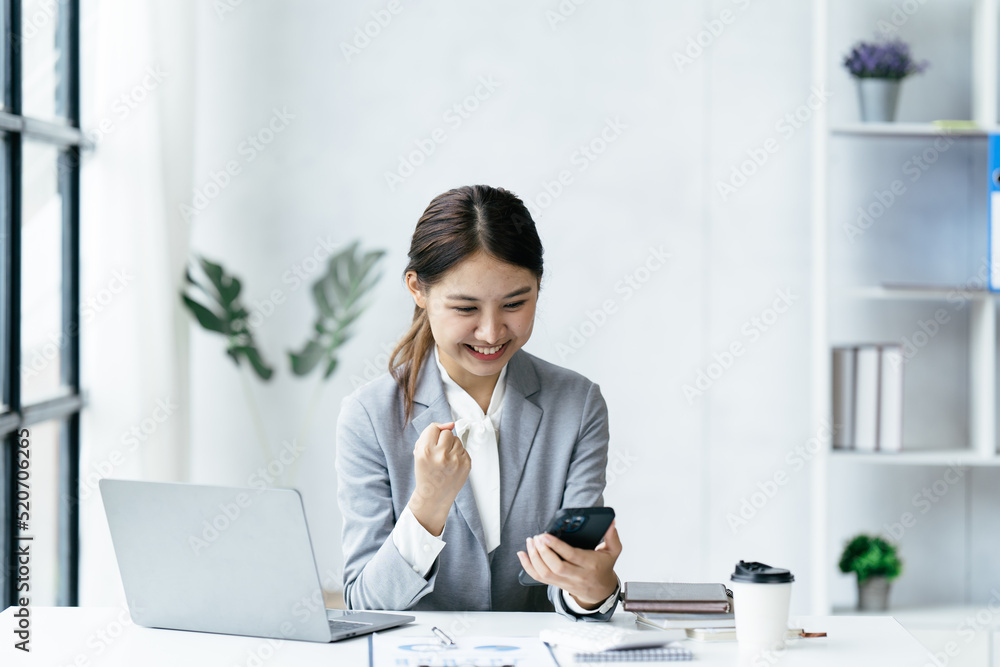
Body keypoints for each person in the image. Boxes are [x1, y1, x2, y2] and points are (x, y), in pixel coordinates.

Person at [336, 184, 621, 620]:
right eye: (466, 308)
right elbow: (365, 605)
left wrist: (593, 589)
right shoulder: (370, 416)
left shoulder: (577, 404)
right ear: (418, 289)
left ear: (538, 288)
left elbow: (572, 583)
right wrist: (429, 502)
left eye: (515, 303)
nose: (491, 333)